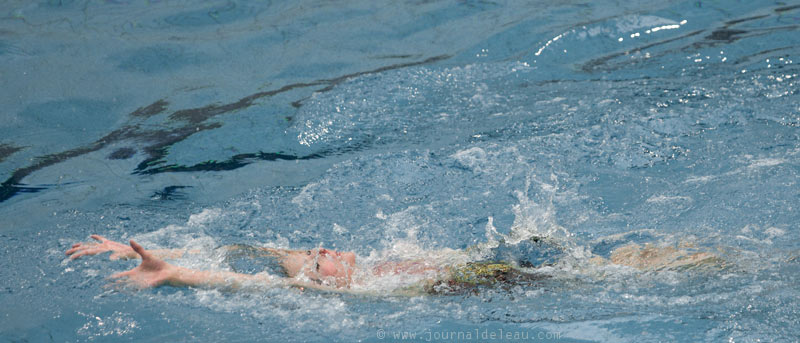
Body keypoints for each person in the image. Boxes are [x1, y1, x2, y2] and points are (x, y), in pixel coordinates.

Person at [66, 234, 725, 294]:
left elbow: (252, 251)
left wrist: (145, 246)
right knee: (639, 266)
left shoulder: (364, 269)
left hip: (493, 265)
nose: (326, 254)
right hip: (498, 285)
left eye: (318, 248)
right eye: (319, 264)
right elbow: (239, 277)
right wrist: (175, 273)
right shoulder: (356, 297)